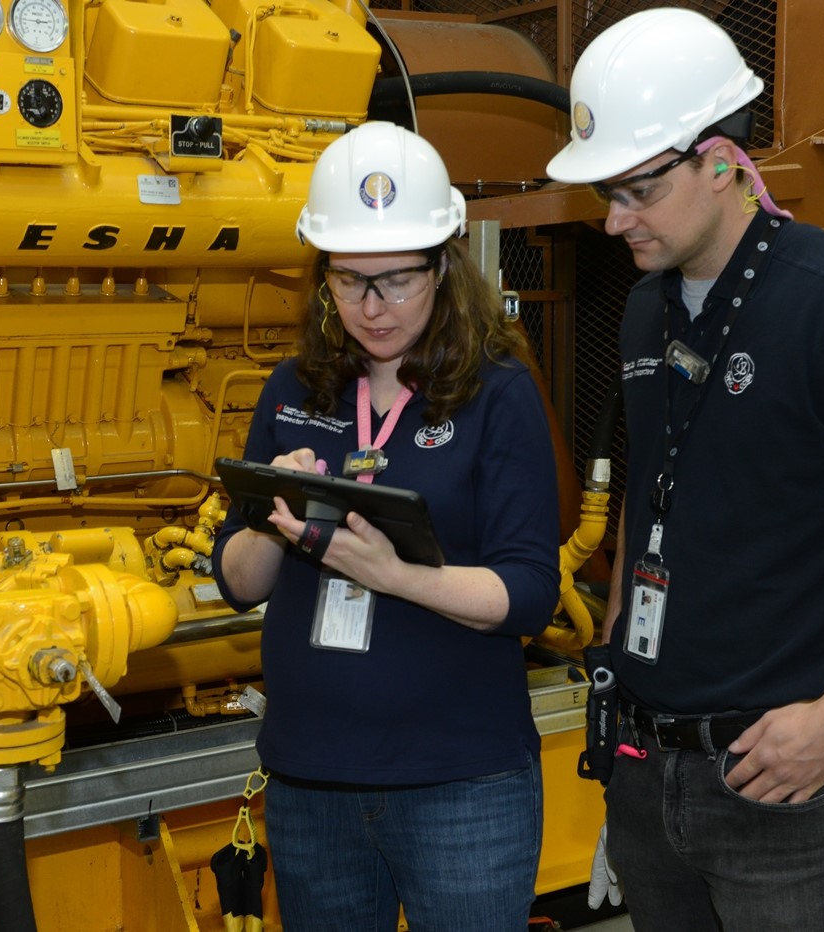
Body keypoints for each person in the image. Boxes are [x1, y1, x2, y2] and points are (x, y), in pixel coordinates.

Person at [545, 8, 824, 931]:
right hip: (645, 765)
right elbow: (655, 490)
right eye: (607, 192)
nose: (611, 219)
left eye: (635, 190)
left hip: (781, 784)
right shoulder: (647, 308)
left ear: (720, 162)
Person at [211, 121, 562, 931]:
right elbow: (236, 582)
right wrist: (273, 518)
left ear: (443, 266)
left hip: (459, 787)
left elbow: (528, 593)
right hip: (311, 784)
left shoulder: (497, 393)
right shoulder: (294, 389)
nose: (374, 307)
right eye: (350, 281)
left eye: (399, 281)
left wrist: (390, 572)